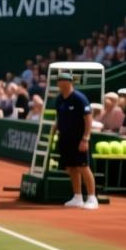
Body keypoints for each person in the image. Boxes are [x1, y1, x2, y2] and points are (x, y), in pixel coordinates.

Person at [52, 70, 98, 210]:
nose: (62, 83)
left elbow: (88, 119)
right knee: (71, 167)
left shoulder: (79, 98)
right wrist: (54, 131)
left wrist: (85, 138)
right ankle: (77, 197)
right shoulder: (59, 99)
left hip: (79, 138)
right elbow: (59, 118)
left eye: (65, 80)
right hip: (65, 138)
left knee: (83, 166)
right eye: (60, 81)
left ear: (70, 82)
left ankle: (92, 198)